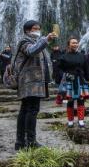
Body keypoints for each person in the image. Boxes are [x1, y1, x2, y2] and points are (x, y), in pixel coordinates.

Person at [15, 20, 57, 150]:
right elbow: (31, 51)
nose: (37, 30)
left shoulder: (35, 41)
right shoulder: (24, 41)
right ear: (27, 30)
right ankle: (30, 141)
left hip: (34, 82)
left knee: (26, 110)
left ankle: (21, 142)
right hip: (29, 82)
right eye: (35, 28)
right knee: (31, 110)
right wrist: (46, 39)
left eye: (39, 28)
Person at [59, 37, 89, 128]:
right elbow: (59, 69)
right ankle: (70, 121)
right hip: (69, 80)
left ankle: (81, 120)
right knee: (70, 101)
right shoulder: (63, 57)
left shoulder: (82, 56)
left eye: (76, 43)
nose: (75, 44)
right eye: (73, 43)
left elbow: (86, 67)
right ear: (68, 45)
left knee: (81, 100)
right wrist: (65, 75)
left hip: (80, 79)